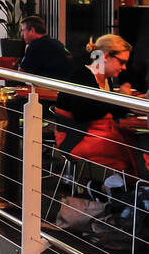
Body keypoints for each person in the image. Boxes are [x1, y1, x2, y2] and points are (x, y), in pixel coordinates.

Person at [56, 34, 139, 174]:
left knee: (132, 143)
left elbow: (112, 111)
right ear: (106, 56)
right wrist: (120, 99)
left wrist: (129, 104)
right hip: (76, 138)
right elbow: (83, 114)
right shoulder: (81, 76)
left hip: (94, 134)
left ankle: (115, 188)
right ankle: (119, 188)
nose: (124, 67)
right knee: (131, 151)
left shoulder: (106, 80)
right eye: (121, 62)